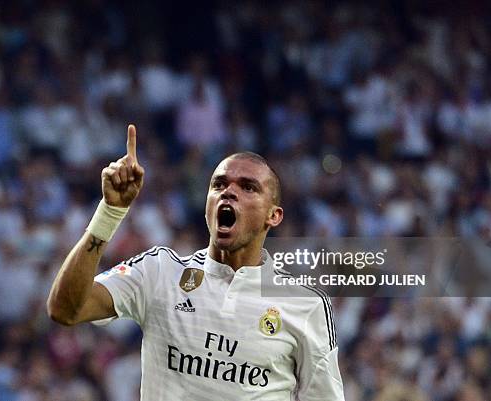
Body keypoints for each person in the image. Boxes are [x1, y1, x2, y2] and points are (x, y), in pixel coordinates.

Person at [47, 124, 345, 400]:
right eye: (219, 184)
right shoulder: (160, 272)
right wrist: (109, 213)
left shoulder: (306, 305)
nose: (229, 191)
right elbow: (65, 309)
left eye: (248, 187)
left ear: (274, 215)